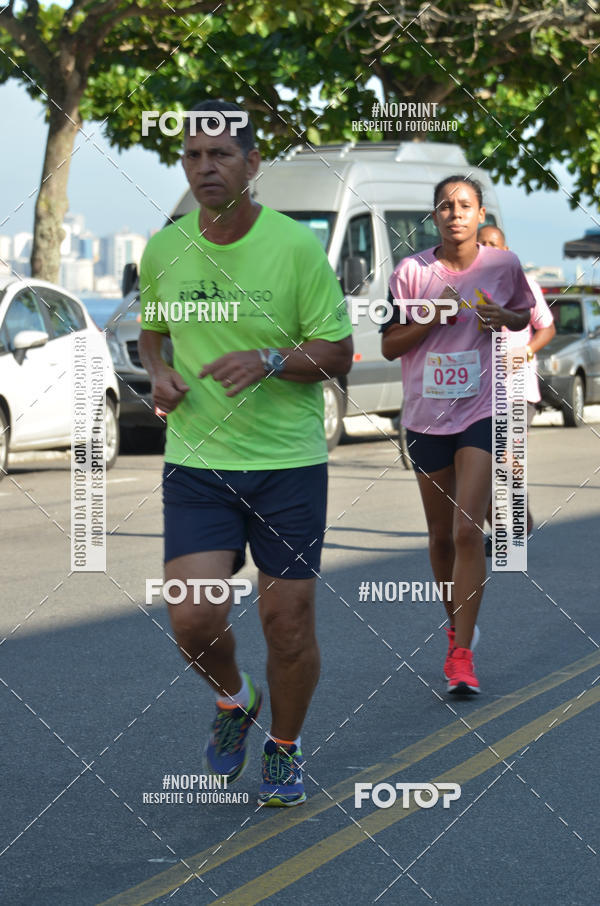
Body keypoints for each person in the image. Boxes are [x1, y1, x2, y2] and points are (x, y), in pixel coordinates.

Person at [138, 99, 353, 806]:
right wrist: (158, 370)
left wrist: (267, 357)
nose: (205, 167)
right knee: (194, 617)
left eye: (220, 155)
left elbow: (339, 352)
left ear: (252, 166)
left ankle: (285, 746)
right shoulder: (166, 249)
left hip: (287, 465)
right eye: (194, 156)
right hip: (198, 460)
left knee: (285, 623)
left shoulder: (293, 248)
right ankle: (236, 700)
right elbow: (153, 331)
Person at [381, 176, 535, 693]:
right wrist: (430, 315)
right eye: (445, 207)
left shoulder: (503, 265)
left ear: (480, 212)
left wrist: (504, 316)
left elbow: (526, 316)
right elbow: (388, 345)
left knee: (470, 531)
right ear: (435, 216)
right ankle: (455, 630)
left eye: (464, 205)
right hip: (426, 416)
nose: (455, 214)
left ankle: (463, 655)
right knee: (442, 536)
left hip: (481, 409)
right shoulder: (411, 272)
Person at [478, 225, 556, 548]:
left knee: (501, 456)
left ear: (506, 250)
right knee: (478, 465)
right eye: (480, 244)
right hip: (478, 393)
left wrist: (523, 353)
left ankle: (518, 514)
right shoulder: (467, 287)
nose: (486, 249)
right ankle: (501, 530)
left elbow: (546, 329)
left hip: (517, 390)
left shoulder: (524, 285)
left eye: (493, 244)